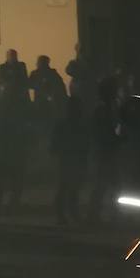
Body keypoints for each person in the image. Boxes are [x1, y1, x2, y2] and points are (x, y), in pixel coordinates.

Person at [0, 50, 30, 212]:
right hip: (8, 139)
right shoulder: (4, 69)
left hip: (13, 137)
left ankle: (8, 200)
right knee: (8, 171)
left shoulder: (20, 68)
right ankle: (3, 200)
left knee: (12, 170)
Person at [87, 77, 122, 222]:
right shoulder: (102, 109)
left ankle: (105, 213)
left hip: (107, 149)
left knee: (109, 184)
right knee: (104, 184)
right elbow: (102, 131)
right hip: (104, 149)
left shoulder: (108, 107)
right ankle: (96, 214)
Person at [51, 96, 88, 224]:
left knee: (68, 187)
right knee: (70, 187)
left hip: (68, 158)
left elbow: (54, 145)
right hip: (72, 158)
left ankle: (64, 213)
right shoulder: (78, 124)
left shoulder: (63, 124)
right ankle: (68, 213)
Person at [29, 55, 67, 127]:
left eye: (40, 62)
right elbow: (30, 84)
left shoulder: (53, 73)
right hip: (39, 100)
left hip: (51, 101)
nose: (37, 64)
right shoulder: (35, 73)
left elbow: (59, 86)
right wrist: (40, 85)